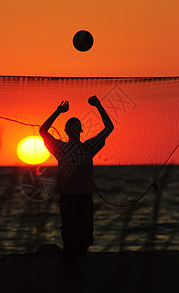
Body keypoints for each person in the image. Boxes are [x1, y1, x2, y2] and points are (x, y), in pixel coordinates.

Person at [39, 96, 114, 269]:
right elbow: (43, 131)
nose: (73, 130)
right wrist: (58, 111)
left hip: (83, 194)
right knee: (70, 231)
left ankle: (76, 256)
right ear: (68, 131)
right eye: (71, 127)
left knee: (85, 233)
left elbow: (110, 128)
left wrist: (98, 105)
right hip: (69, 195)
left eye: (76, 127)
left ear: (79, 130)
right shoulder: (63, 148)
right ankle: (72, 259)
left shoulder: (86, 147)